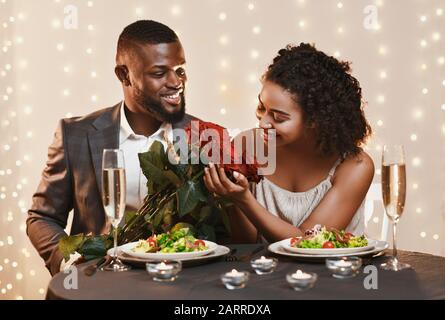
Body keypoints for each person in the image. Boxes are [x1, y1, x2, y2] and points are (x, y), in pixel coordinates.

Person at [26, 20, 198, 275]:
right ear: (124, 75)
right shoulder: (75, 135)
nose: (176, 82)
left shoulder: (201, 136)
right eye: (159, 73)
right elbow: (42, 217)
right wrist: (69, 263)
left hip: (180, 285)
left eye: (180, 70)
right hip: (100, 285)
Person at [204, 43, 374, 243]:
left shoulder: (355, 166)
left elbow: (308, 243)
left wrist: (245, 199)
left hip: (335, 272)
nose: (263, 122)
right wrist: (230, 197)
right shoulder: (247, 145)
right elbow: (247, 242)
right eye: (261, 108)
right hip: (265, 273)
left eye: (278, 117)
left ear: (314, 121)